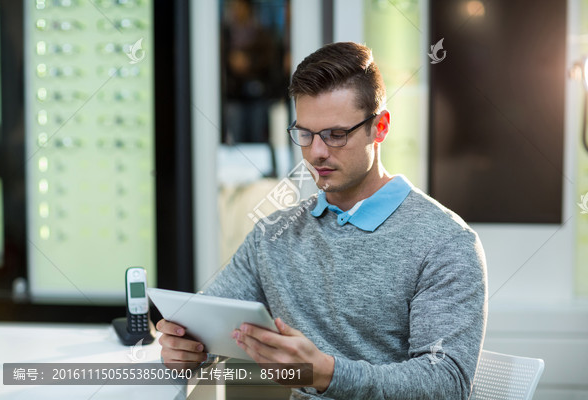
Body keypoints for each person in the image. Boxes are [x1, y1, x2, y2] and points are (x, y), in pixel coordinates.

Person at [157, 42, 487, 400]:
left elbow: (446, 384)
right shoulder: (274, 236)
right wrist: (185, 346)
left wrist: (327, 373)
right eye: (305, 134)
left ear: (380, 127)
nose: (316, 152)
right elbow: (208, 319)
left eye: (335, 134)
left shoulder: (445, 242)